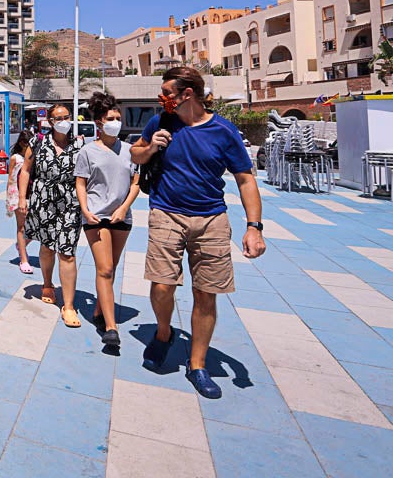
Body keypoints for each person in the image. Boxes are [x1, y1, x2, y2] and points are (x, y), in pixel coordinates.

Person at [131, 66, 266, 399]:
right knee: (162, 285)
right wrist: (150, 150)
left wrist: (254, 228)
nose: (161, 97)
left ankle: (198, 364)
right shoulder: (160, 122)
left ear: (186, 94)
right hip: (166, 213)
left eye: (166, 92)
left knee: (206, 294)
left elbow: (245, 179)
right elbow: (135, 151)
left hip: (211, 220)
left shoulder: (223, 131)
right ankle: (164, 333)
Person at [74, 92, 139, 349]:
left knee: (111, 267)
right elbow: (80, 183)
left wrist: (124, 208)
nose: (115, 122)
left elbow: (136, 183)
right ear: (99, 123)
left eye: (118, 117)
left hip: (122, 216)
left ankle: (100, 312)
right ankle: (111, 328)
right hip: (96, 216)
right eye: (110, 118)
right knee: (105, 269)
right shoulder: (88, 151)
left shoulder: (130, 151)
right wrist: (85, 209)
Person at [22, 103, 83, 327]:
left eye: (67, 117)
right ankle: (47, 283)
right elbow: (26, 171)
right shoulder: (37, 142)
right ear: (50, 121)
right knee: (47, 247)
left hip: (70, 202)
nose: (64, 121)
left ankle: (68, 306)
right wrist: (22, 199)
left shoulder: (80, 144)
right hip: (43, 200)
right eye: (58, 118)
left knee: (67, 253)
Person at [5, 130, 35, 275]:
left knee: (36, 226)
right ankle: (23, 259)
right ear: (22, 143)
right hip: (17, 195)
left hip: (33, 194)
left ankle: (21, 244)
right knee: (21, 227)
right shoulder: (15, 158)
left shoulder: (34, 156)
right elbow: (11, 178)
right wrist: (9, 199)